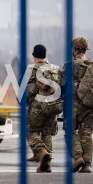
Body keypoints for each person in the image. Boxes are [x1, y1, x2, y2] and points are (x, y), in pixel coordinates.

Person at [60, 36, 93, 173]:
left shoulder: (69, 66)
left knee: (70, 132)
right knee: (87, 133)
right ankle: (87, 165)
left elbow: (61, 85)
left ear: (75, 49)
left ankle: (78, 157)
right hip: (90, 105)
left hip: (74, 105)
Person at [27, 44, 60, 173]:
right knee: (47, 134)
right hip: (53, 106)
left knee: (31, 132)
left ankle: (42, 152)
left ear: (34, 56)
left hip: (38, 105)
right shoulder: (54, 69)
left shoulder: (33, 69)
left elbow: (29, 91)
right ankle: (47, 165)